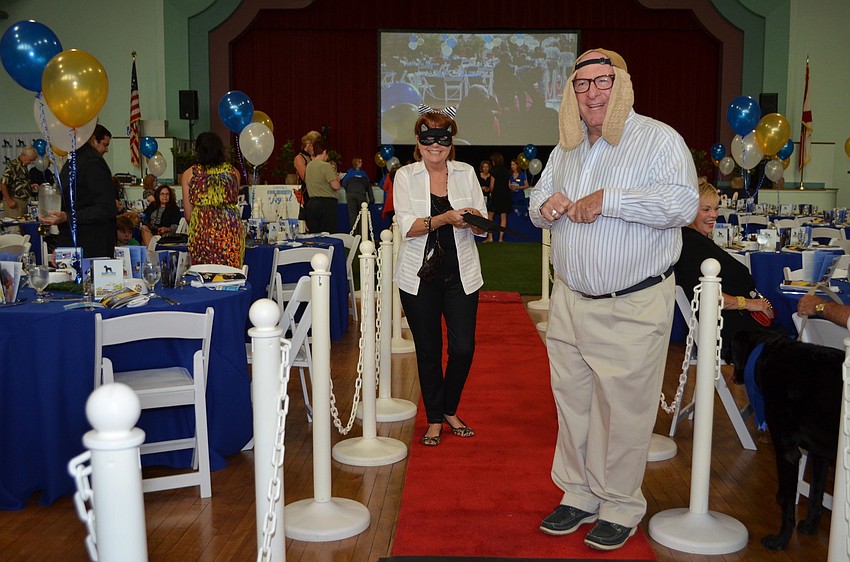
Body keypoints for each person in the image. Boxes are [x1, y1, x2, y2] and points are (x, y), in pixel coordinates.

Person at [528, 49, 699, 551]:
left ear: (622, 84)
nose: (593, 93)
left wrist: (611, 199)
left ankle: (620, 504)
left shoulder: (658, 139)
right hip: (570, 301)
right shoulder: (567, 148)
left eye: (603, 81)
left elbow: (683, 203)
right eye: (582, 85)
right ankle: (579, 494)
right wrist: (547, 205)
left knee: (623, 411)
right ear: (572, 96)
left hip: (632, 302)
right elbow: (536, 205)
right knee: (573, 404)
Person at [393, 108, 488, 447]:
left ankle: (449, 407)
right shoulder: (405, 176)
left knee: (463, 348)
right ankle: (435, 417)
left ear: (451, 142)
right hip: (420, 277)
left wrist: (475, 219)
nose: (435, 145)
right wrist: (445, 218)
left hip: (461, 275)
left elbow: (482, 228)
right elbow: (409, 227)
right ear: (418, 142)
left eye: (442, 137)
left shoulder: (466, 173)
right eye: (428, 137)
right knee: (429, 350)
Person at [675, 178, 779, 435]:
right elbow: (710, 295)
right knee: (784, 352)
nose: (714, 215)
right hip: (728, 332)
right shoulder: (689, 244)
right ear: (689, 211)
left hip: (736, 325)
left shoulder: (696, 239)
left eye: (716, 208)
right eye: (706, 209)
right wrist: (750, 303)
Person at [40, 125, 117, 258]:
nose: (107, 150)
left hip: (88, 244)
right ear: (93, 140)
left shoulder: (88, 162)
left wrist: (68, 217)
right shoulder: (81, 160)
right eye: (104, 145)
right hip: (80, 242)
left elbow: (106, 207)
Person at [181, 131, 245, 267]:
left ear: (198, 150)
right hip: (229, 233)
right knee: (230, 276)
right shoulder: (234, 172)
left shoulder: (189, 174)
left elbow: (188, 215)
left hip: (201, 234)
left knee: (203, 276)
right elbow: (234, 200)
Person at [302, 138, 341, 233]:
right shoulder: (325, 166)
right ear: (324, 152)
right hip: (326, 204)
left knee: (315, 234)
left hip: (311, 203)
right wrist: (337, 179)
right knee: (328, 234)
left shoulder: (309, 166)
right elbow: (335, 186)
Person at [1, 146, 38, 219]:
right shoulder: (13, 165)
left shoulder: (23, 166)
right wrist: (9, 200)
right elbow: (3, 183)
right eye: (30, 160)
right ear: (24, 156)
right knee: (14, 228)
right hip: (14, 202)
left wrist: (29, 187)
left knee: (23, 227)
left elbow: (18, 183)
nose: (31, 162)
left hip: (23, 202)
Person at [293, 130, 322, 216]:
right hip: (308, 195)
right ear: (309, 145)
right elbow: (306, 178)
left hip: (319, 194)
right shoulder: (299, 158)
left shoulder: (317, 157)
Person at [341, 157, 374, 229]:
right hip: (360, 194)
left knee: (353, 215)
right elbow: (368, 186)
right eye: (359, 162)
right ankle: (361, 234)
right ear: (355, 163)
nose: (361, 164)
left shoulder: (350, 172)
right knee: (362, 215)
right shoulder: (363, 173)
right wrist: (371, 199)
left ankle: (355, 234)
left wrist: (349, 191)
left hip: (351, 195)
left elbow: (344, 183)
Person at [488, 151, 511, 241]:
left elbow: (491, 186)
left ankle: (490, 237)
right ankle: (501, 238)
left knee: (490, 216)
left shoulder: (494, 171)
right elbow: (509, 185)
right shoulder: (506, 171)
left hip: (496, 196)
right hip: (505, 196)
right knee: (503, 216)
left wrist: (490, 192)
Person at [477, 160, 494, 242]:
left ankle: (489, 236)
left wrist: (489, 189)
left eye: (487, 167)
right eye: (484, 167)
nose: (485, 168)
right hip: (479, 198)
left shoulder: (491, 176)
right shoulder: (478, 176)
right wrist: (481, 188)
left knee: (489, 217)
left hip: (489, 198)